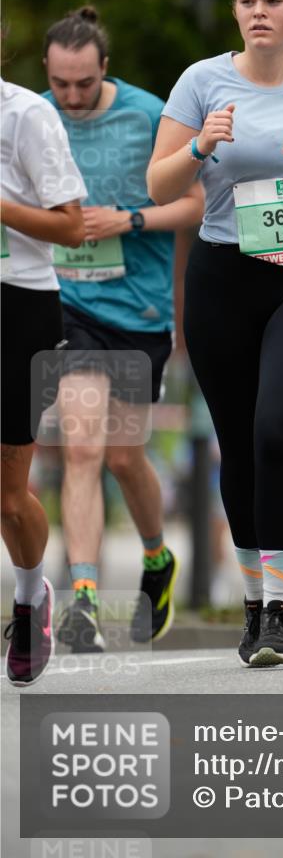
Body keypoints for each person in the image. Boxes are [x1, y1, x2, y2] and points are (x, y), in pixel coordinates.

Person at [148, 0, 283, 667]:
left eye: (272, 0)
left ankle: (282, 608)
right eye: (247, 0)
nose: (258, 11)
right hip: (224, 273)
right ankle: (257, 603)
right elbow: (160, 183)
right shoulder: (203, 80)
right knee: (238, 441)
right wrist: (200, 143)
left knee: (275, 430)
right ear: (236, 9)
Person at [42, 7, 204, 652]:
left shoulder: (148, 115)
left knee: (123, 456)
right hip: (68, 303)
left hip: (139, 310)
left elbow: (193, 204)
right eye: (61, 84)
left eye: (84, 83)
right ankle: (82, 601)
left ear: (105, 69)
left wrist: (129, 221)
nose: (73, 97)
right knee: (81, 448)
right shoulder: (35, 117)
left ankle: (157, 558)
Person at [1, 77, 86, 685]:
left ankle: (31, 595)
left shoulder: (25, 114)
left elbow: (71, 227)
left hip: (19, 308)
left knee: (8, 495)